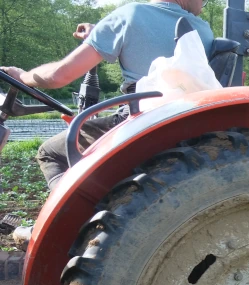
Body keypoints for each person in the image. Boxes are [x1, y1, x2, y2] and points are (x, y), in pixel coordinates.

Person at [0, 0, 214, 191]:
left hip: (142, 120)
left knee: (49, 153)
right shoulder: (203, 31)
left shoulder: (130, 15)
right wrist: (98, 35)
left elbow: (58, 76)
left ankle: (79, 214)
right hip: (185, 121)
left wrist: (23, 76)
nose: (202, 7)